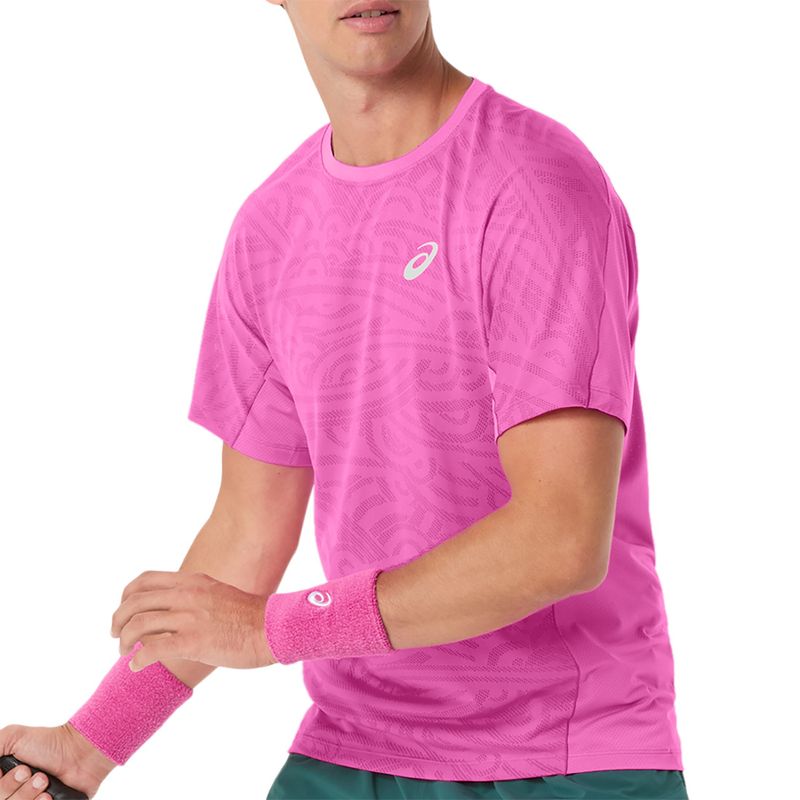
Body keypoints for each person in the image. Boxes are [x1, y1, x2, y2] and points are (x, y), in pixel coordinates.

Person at [0, 2, 690, 799]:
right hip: (356, 741)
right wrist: (88, 747)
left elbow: (559, 539)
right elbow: (248, 532)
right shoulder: (272, 228)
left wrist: (272, 631)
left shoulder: (535, 183)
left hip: (565, 753)